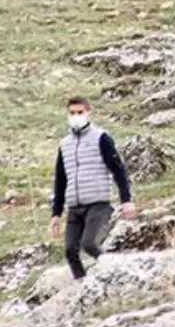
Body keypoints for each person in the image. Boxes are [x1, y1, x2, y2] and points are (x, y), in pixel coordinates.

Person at [50, 97, 135, 280]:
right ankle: (84, 286)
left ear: (89, 112)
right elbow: (60, 180)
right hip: (74, 206)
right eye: (72, 113)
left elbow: (118, 170)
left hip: (98, 203)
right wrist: (56, 214)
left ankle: (115, 271)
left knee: (88, 244)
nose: (76, 116)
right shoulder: (64, 145)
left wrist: (126, 200)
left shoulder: (101, 138)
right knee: (70, 251)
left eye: (80, 112)